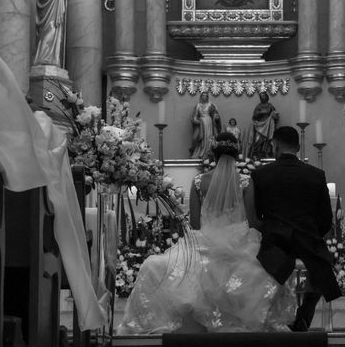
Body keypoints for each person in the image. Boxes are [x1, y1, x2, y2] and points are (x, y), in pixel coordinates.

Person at [120, 132, 296, 334]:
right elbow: (253, 222)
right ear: (237, 155)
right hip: (240, 244)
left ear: (213, 155)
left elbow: (194, 224)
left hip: (206, 242)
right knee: (268, 268)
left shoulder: (198, 181)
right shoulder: (246, 181)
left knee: (155, 265)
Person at [251, 126, 342, 331]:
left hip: (274, 243)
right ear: (298, 147)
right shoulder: (316, 175)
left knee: (263, 261)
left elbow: (257, 216)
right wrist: (310, 234)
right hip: (307, 242)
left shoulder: (261, 175)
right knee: (321, 264)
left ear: (274, 144)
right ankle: (305, 313)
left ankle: (271, 317)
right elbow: (326, 219)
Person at [246, 91, 278, 159]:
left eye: (264, 96)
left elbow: (275, 115)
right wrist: (261, 113)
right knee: (257, 140)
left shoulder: (270, 106)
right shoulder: (259, 106)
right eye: (261, 96)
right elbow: (254, 116)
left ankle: (266, 152)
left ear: (267, 97)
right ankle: (256, 153)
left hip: (268, 125)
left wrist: (274, 116)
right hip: (259, 125)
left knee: (266, 139)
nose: (262, 97)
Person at [190, 92, 221, 159]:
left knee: (208, 137)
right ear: (201, 97)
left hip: (209, 122)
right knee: (196, 138)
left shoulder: (211, 105)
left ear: (207, 97)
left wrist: (216, 117)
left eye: (206, 96)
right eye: (203, 96)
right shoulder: (198, 105)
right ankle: (200, 152)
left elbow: (215, 114)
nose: (204, 97)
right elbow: (195, 116)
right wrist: (198, 121)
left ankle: (208, 153)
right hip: (201, 123)